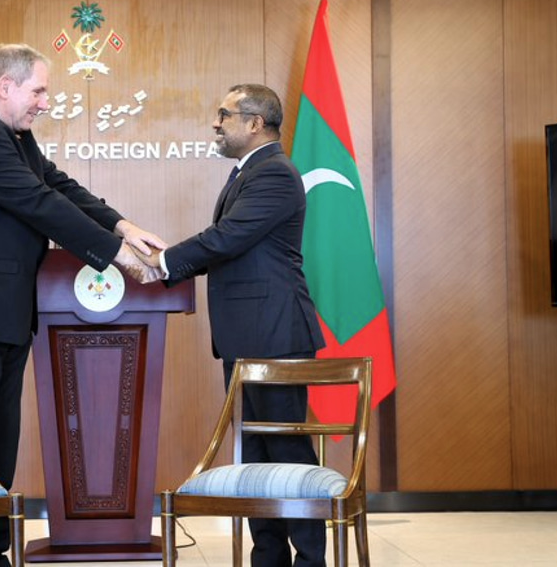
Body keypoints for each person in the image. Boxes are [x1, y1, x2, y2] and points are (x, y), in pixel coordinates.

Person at [0, 43, 164, 567]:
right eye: (39, 91)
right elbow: (39, 204)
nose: (45, 103)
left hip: (3, 311)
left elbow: (56, 185)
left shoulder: (11, 134)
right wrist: (117, 257)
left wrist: (123, 227)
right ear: (5, 86)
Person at [138, 84, 327, 566]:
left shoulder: (275, 173)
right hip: (247, 336)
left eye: (224, 114)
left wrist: (165, 262)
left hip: (276, 334)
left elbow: (228, 238)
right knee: (256, 454)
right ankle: (269, 557)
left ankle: (310, 559)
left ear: (255, 123)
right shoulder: (249, 171)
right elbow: (229, 244)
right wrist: (167, 266)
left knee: (287, 453)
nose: (215, 123)